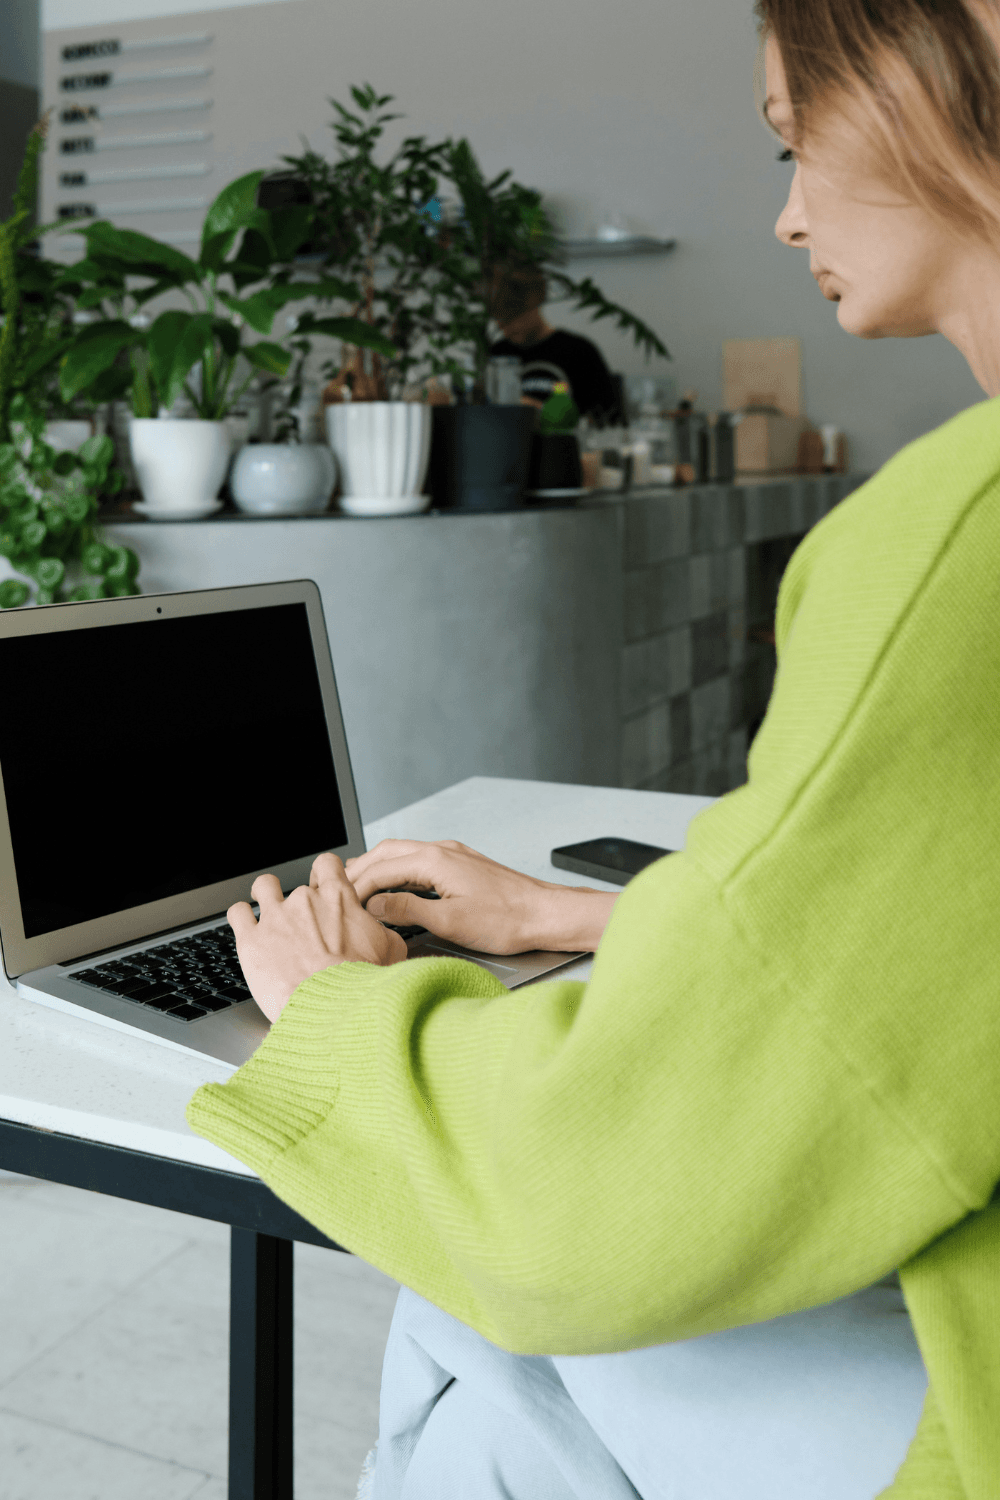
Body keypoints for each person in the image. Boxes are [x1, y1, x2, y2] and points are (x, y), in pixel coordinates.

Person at [187, 2, 1000, 1495]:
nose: (787, 208)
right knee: (486, 1386)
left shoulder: (962, 541)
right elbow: (939, 954)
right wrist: (569, 914)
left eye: (791, 141)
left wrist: (336, 1023)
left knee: (478, 1306)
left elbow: (590, 1205)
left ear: (927, 81)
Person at [488, 262, 621, 422]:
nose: (506, 327)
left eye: (512, 315)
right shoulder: (497, 354)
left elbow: (608, 418)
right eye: (499, 319)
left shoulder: (579, 352)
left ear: (536, 301)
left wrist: (542, 413)